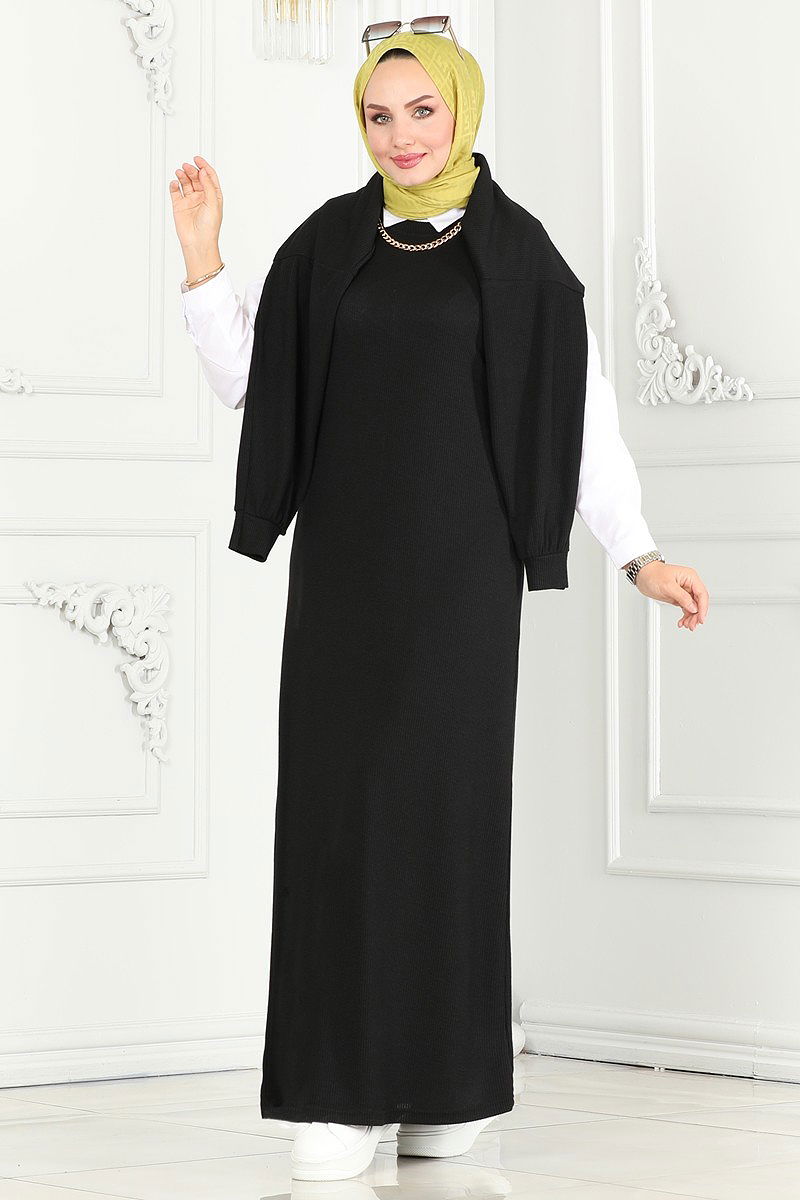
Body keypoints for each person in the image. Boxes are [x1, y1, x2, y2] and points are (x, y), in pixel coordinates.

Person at [169, 25, 709, 1184]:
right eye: (380, 115)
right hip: (343, 584)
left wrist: (638, 556)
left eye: (422, 111)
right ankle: (336, 1094)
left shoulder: (521, 261)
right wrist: (205, 261)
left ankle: (446, 1085)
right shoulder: (324, 249)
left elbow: (579, 422)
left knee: (448, 821)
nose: (401, 135)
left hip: (465, 589)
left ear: (461, 109)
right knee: (339, 818)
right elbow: (253, 385)